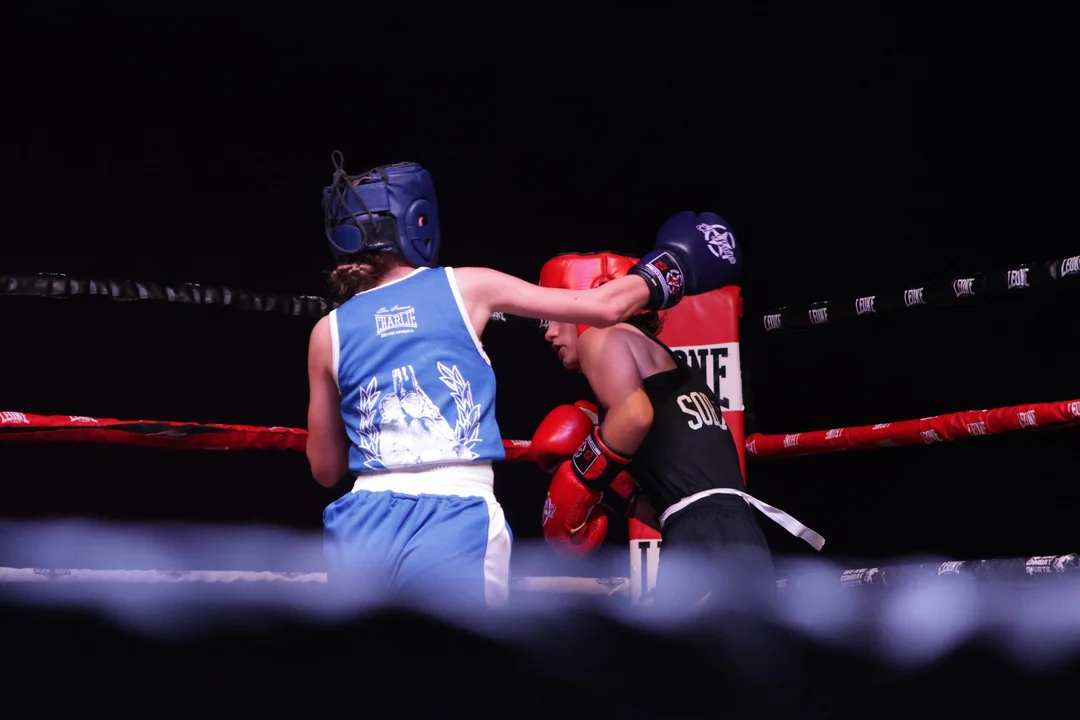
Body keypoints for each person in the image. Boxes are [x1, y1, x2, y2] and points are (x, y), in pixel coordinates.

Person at [304, 153, 742, 610]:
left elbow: (326, 469)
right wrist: (676, 263)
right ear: (416, 220)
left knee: (364, 655)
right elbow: (606, 308)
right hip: (454, 510)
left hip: (362, 517)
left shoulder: (326, 334)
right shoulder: (465, 286)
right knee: (451, 651)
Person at [537, 246, 825, 610]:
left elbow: (633, 416)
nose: (549, 333)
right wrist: (616, 494)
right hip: (732, 533)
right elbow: (671, 509)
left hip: (703, 538)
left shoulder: (601, 334)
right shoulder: (656, 362)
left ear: (585, 303)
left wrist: (580, 475)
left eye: (555, 315)